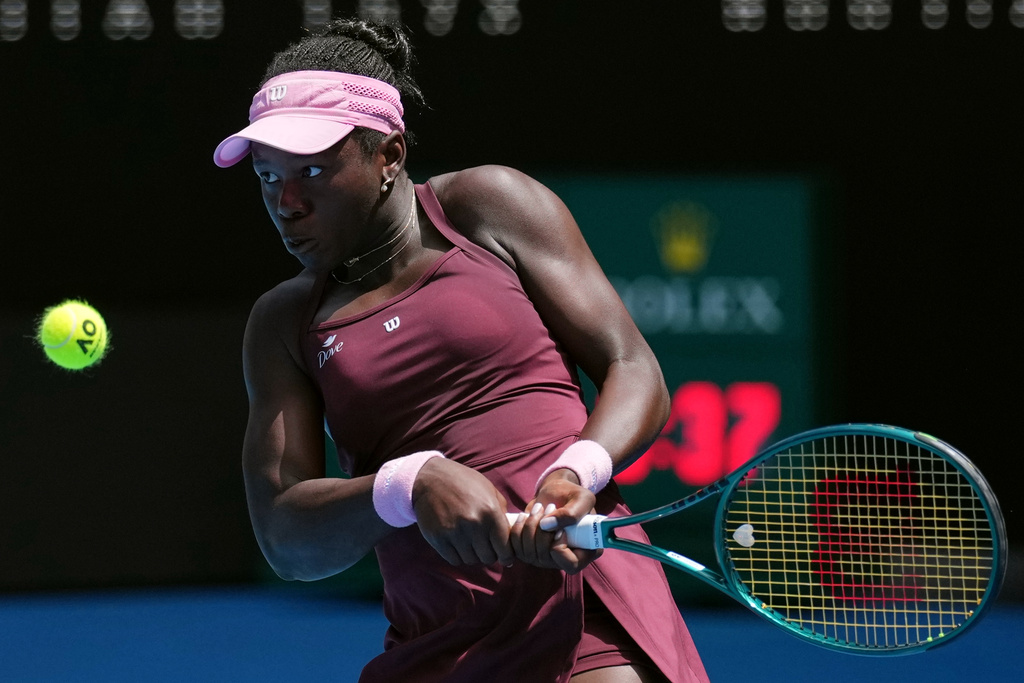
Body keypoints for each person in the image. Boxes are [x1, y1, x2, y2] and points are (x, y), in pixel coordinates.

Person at [214, 16, 709, 683]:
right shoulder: (283, 324)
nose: (288, 203)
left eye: (312, 169)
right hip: (437, 639)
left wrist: (574, 472)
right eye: (268, 177)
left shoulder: (487, 206)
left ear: (388, 155)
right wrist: (407, 484)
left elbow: (633, 367)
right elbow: (285, 539)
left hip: (584, 608)